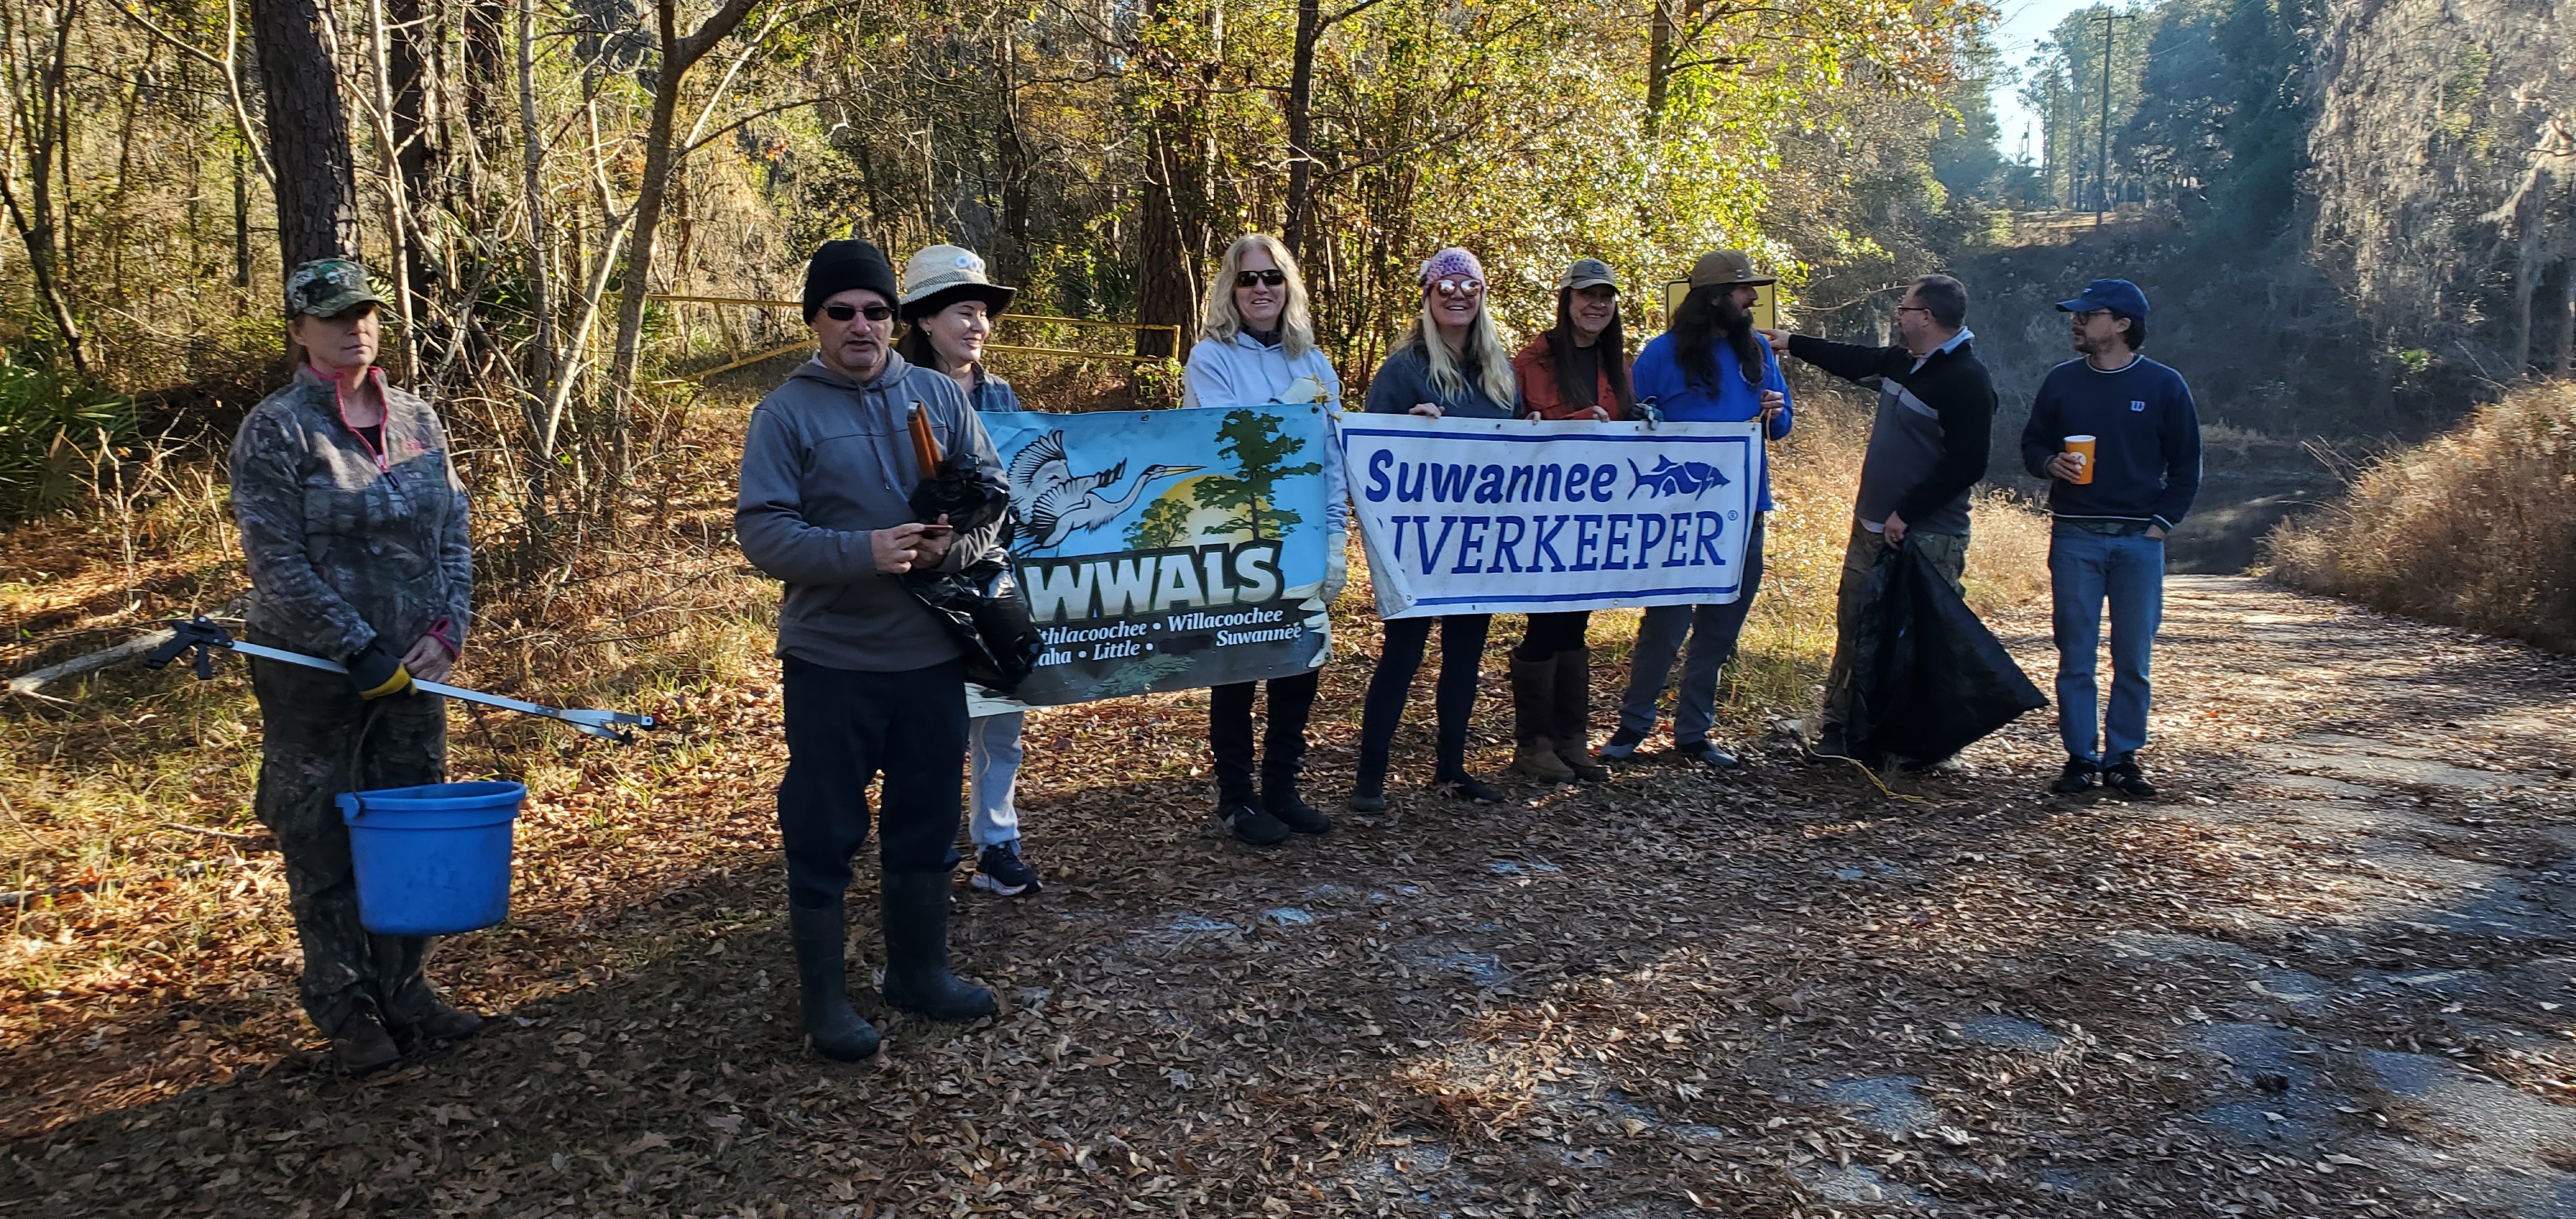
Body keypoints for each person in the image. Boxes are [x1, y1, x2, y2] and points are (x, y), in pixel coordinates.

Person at [737, 238, 1008, 1062]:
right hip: (833, 660)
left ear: (896, 318)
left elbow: (994, 502)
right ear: (815, 321)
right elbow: (763, 529)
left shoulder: (934, 395)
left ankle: (919, 974)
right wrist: (866, 551)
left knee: (925, 824)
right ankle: (826, 1006)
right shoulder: (785, 413)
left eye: (876, 310)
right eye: (842, 311)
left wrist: (945, 552)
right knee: (824, 828)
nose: (861, 325)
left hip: (929, 654)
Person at [228, 258, 482, 1073]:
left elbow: (453, 527)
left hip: (415, 670)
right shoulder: (277, 429)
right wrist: (352, 644)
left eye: (365, 313)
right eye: (335, 316)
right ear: (301, 330)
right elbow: (276, 560)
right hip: (314, 674)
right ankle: (347, 1009)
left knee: (409, 826)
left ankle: (408, 988)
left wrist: (449, 629)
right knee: (323, 831)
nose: (356, 328)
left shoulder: (416, 416)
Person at [1759, 272, 1995, 766]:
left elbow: (1968, 463)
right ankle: (1840, 727)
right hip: (1870, 528)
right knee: (1854, 623)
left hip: (1930, 535)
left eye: (1905, 309)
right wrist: (1791, 343)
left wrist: (1906, 514)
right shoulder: (1904, 364)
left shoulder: (1966, 379)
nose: (1899, 315)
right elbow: (1854, 359)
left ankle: (1927, 743)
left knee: (1921, 634)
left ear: (1926, 318)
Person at [1181, 233, 1351, 845]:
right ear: (1231, 288)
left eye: (1271, 278)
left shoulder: (1314, 359)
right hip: (1236, 534)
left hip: (1303, 534)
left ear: (1288, 286)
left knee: (1296, 665)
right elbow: (1228, 446)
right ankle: (1237, 798)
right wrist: (1290, 411)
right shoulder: (1211, 357)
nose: (1260, 290)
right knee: (1238, 665)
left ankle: (1283, 788)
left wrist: (1335, 536)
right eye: (1248, 279)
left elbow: (1332, 456)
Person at [1603, 250, 1792, 770]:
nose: (1753, 298)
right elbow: (1630, 427)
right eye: (1742, 290)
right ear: (1714, 298)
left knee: (1722, 624)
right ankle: (1632, 726)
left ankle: (1693, 732)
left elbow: (1781, 426)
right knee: (1665, 624)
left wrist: (1775, 413)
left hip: (1745, 509)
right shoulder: (1661, 354)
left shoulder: (1757, 351)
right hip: (1677, 517)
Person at [896, 243, 1042, 896]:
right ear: (925, 319)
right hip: (913, 585)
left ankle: (998, 844)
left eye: (983, 312)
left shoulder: (1003, 396)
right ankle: (924, 850)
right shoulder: (892, 393)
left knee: (999, 715)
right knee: (930, 725)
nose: (978, 325)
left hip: (989, 579)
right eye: (963, 311)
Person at [2017, 278, 2200, 797]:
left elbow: (2187, 465)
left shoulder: (2165, 386)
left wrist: (2161, 524)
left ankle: (2123, 758)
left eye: (2088, 314)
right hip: (2074, 536)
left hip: (2138, 542)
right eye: (2076, 314)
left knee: (2132, 656)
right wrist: (2050, 462)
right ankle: (2079, 757)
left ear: (2121, 324)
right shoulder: (2061, 382)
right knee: (2075, 655)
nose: (2076, 322)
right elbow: (2032, 443)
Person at [1351, 247, 1517, 809]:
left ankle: (1451, 768)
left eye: (1470, 287)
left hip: (1480, 540)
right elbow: (1369, 452)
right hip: (1417, 544)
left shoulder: (1500, 373)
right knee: (1403, 652)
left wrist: (1537, 435)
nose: (1458, 297)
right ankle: (1370, 778)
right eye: (1445, 289)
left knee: (1466, 655)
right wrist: (1403, 428)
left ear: (1483, 296)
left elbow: (1516, 456)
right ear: (1427, 297)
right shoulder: (1403, 369)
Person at [1503, 257, 1634, 784]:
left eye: (1605, 297)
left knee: (1577, 622)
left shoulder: (1619, 365)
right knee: (1545, 622)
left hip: (1593, 521)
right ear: (1567, 300)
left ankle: (1571, 740)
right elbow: (1510, 428)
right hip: (1541, 518)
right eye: (1586, 295)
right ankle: (1532, 745)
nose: (1596, 305)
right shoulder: (1531, 362)